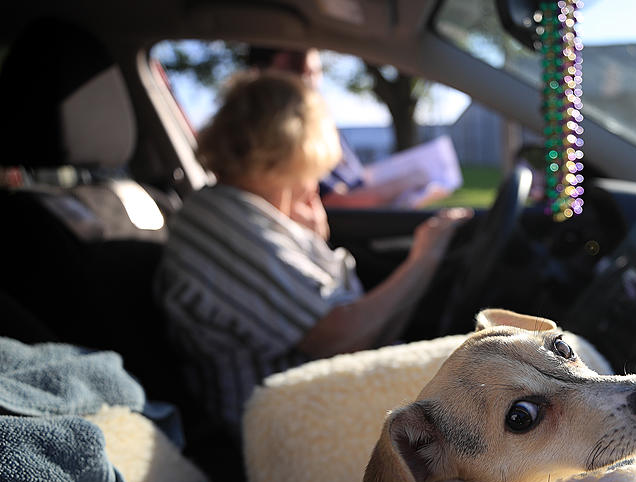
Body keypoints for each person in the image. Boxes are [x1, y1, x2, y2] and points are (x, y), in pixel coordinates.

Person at [154, 70, 471, 439]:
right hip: (281, 434)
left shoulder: (252, 216)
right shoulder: (222, 222)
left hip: (317, 402)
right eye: (311, 171)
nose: (314, 185)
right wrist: (424, 259)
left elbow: (359, 332)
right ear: (290, 151)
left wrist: (315, 239)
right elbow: (339, 338)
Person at [245, 46, 399, 208]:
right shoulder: (282, 136)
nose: (308, 82)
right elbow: (335, 201)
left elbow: (355, 179)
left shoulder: (325, 129)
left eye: (314, 72)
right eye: (293, 71)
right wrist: (409, 180)